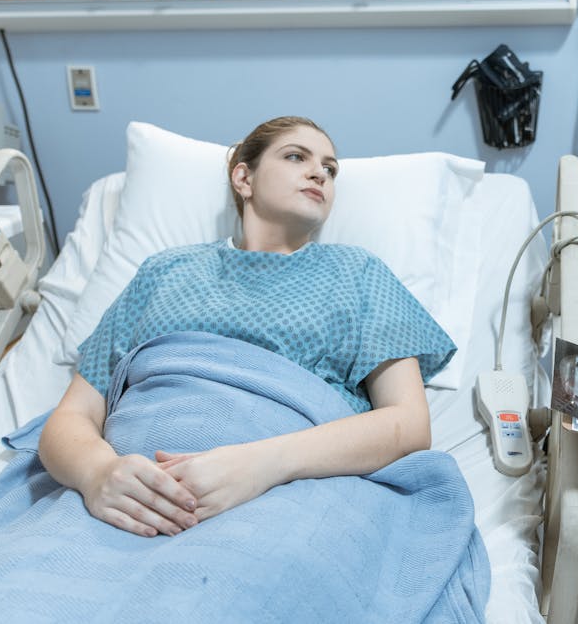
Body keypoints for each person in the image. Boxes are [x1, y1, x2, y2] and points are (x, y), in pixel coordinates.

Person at [39, 115, 456, 538]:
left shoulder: (358, 273)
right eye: (297, 156)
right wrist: (98, 475)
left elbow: (408, 424)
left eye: (330, 170)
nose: (319, 173)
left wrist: (261, 464)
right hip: (126, 499)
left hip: (288, 497)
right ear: (244, 177)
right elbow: (73, 414)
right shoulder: (165, 271)